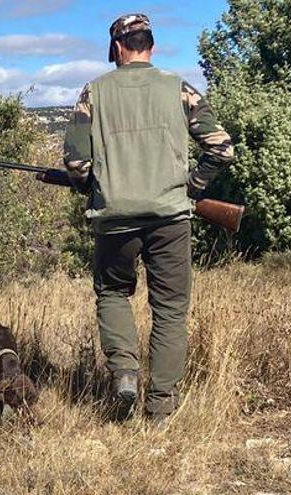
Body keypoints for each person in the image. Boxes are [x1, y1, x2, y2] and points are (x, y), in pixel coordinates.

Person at [63, 13, 235, 424]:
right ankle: (160, 405)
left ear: (117, 48)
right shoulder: (179, 88)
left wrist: (93, 186)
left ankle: (124, 371)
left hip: (116, 220)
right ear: (151, 46)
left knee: (113, 294)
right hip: (171, 219)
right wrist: (191, 187)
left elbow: (75, 163)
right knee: (171, 310)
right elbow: (222, 148)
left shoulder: (94, 92)